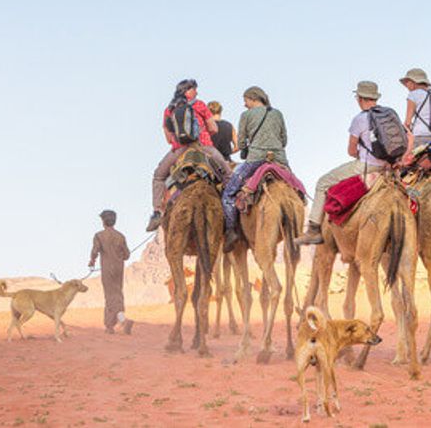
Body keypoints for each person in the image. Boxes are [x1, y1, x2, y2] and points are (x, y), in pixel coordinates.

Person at [293, 81, 388, 246]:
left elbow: (351, 151)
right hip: (387, 167)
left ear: (359, 98)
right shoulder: (387, 115)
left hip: (366, 166)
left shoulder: (360, 119)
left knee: (323, 182)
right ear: (375, 97)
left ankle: (314, 229)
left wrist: (365, 154)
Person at [147, 79, 232, 231]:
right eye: (194, 89)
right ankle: (231, 211)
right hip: (203, 146)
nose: (197, 92)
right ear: (187, 91)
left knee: (158, 176)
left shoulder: (169, 110)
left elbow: (168, 138)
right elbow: (214, 129)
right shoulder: (199, 105)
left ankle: (157, 212)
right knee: (228, 173)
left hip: (179, 149)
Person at [221, 86, 289, 247]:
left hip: (255, 159)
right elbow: (284, 140)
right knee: (298, 190)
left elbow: (242, 143)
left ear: (252, 99)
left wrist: (245, 152)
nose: (244, 105)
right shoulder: (277, 113)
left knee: (228, 194)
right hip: (279, 159)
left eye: (245, 101)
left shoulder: (246, 115)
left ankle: (231, 231)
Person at [89, 210, 134, 334]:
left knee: (110, 295)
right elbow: (127, 255)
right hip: (119, 269)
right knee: (117, 293)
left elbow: (95, 251)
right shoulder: (120, 236)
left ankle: (122, 320)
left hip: (107, 269)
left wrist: (92, 261)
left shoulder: (99, 235)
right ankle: (110, 326)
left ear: (103, 221)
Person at [400, 67, 431, 148]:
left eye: (407, 82)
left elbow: (407, 123)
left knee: (405, 159)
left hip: (420, 136)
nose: (406, 85)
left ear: (413, 82)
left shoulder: (413, 95)